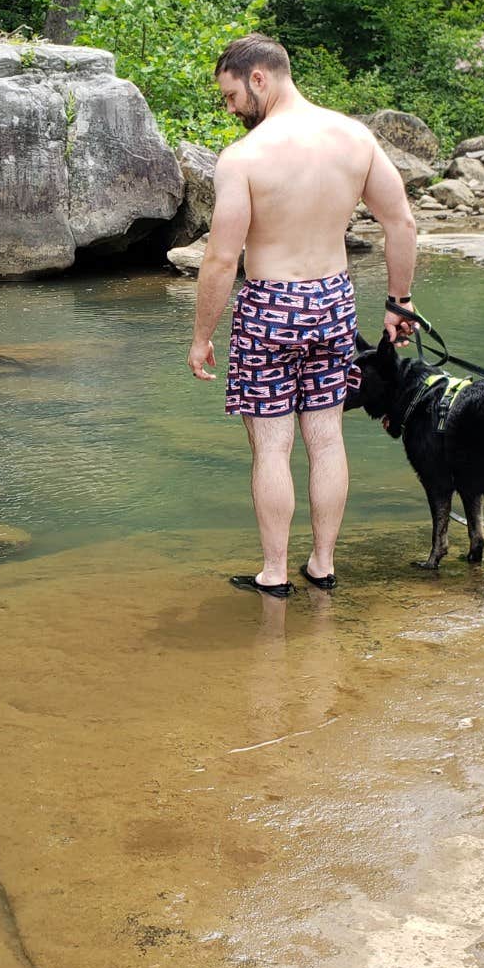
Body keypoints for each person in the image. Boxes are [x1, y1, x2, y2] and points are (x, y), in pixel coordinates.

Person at [187, 34, 418, 597]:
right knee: (327, 440)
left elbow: (221, 259)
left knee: (271, 447)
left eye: (231, 95)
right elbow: (401, 223)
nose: (231, 107)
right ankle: (322, 564)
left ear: (259, 78)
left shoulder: (244, 157)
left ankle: (273, 573)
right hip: (333, 302)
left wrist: (201, 337)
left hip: (269, 304)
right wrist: (398, 302)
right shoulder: (354, 138)